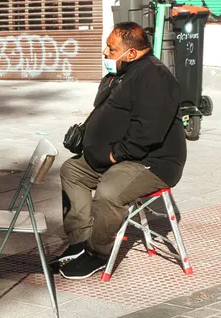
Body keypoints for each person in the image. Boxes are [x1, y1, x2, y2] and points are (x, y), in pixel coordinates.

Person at [56, 21, 187, 280]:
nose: (105, 52)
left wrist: (114, 155)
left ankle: (97, 254)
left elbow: (148, 133)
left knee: (109, 191)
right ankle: (82, 242)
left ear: (132, 53)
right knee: (72, 170)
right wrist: (85, 135)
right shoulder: (122, 71)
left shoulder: (154, 77)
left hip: (152, 162)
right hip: (117, 156)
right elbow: (108, 111)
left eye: (111, 48)